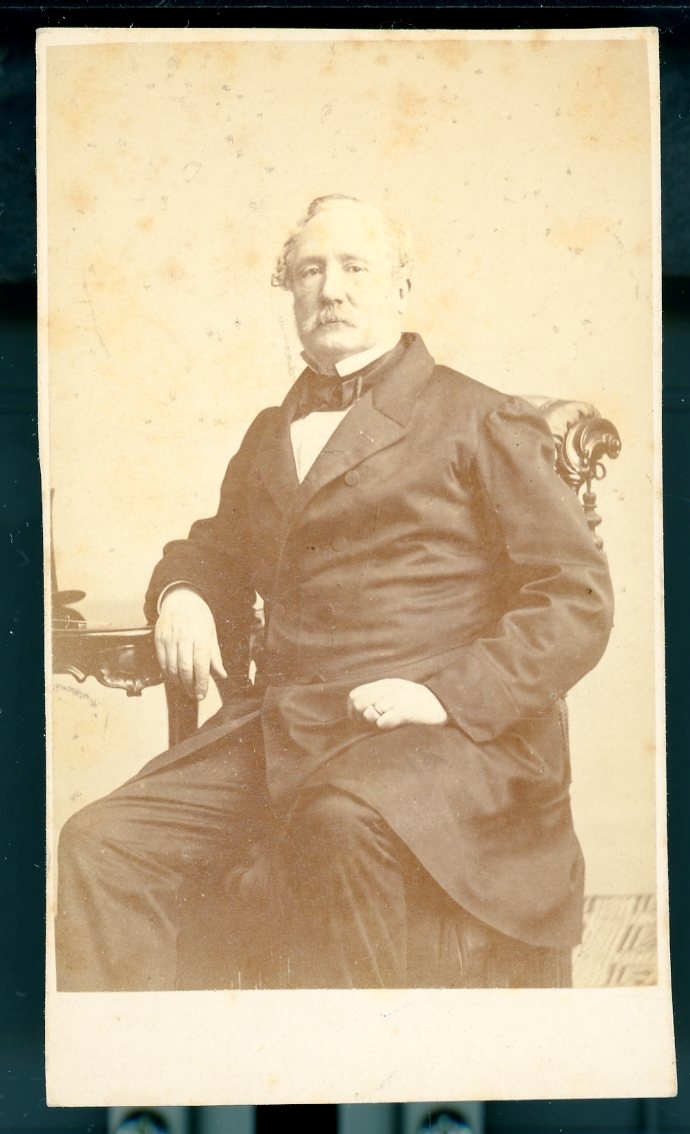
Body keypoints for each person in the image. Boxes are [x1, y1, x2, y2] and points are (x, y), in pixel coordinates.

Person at [56, 194, 613, 992]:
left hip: (446, 742)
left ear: (401, 287)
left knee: (337, 821)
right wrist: (184, 594)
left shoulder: (479, 418)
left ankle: (359, 1062)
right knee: (101, 843)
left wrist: (445, 696)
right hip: (288, 727)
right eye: (310, 271)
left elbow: (574, 597)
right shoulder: (269, 432)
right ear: (287, 291)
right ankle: (146, 1059)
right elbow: (214, 548)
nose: (332, 290)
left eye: (355, 267)